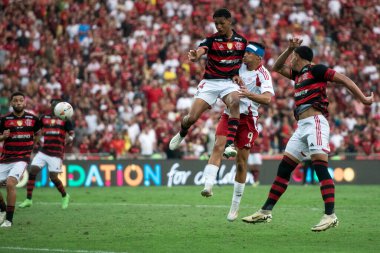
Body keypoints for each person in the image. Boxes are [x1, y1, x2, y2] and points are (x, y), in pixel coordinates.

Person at [242, 38, 374, 232]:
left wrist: (362, 98)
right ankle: (265, 211)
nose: (291, 60)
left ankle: (330, 215)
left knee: (320, 167)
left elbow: (343, 79)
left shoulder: (316, 70)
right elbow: (278, 67)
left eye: (294, 56)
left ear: (300, 58)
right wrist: (289, 49)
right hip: (301, 127)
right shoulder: (298, 74)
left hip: (316, 123)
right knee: (284, 169)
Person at [200, 42, 274, 222]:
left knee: (241, 162)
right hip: (229, 114)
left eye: (249, 53)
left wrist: (248, 94)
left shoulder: (263, 74)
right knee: (218, 145)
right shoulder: (237, 67)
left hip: (248, 120)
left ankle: (235, 206)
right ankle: (208, 186)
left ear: (258, 57)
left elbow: (267, 99)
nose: (245, 55)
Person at [169, 8, 247, 158]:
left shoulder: (241, 42)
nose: (218, 27)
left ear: (229, 21)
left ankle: (230, 144)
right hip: (210, 82)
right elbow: (201, 49)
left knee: (235, 101)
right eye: (216, 24)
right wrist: (195, 55)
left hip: (228, 83)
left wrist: (237, 74)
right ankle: (182, 132)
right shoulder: (211, 39)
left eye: (222, 23)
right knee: (191, 118)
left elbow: (243, 62)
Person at [19, 99, 74, 210]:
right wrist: (36, 141)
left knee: (53, 177)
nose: (53, 106)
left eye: (55, 105)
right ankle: (28, 199)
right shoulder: (44, 118)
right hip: (44, 151)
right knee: (33, 169)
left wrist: (70, 138)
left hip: (57, 153)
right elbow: (37, 131)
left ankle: (64, 196)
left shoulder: (65, 118)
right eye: (52, 104)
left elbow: (71, 133)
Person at [0, 92, 41, 227]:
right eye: (15, 100)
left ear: (24, 103)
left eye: (21, 100)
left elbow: (38, 134)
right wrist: (3, 137)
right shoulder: (4, 119)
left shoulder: (33, 119)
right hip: (6, 158)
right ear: (11, 103)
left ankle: (8, 221)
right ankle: (3, 209)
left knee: (11, 183)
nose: (18, 103)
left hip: (21, 158)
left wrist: (30, 147)